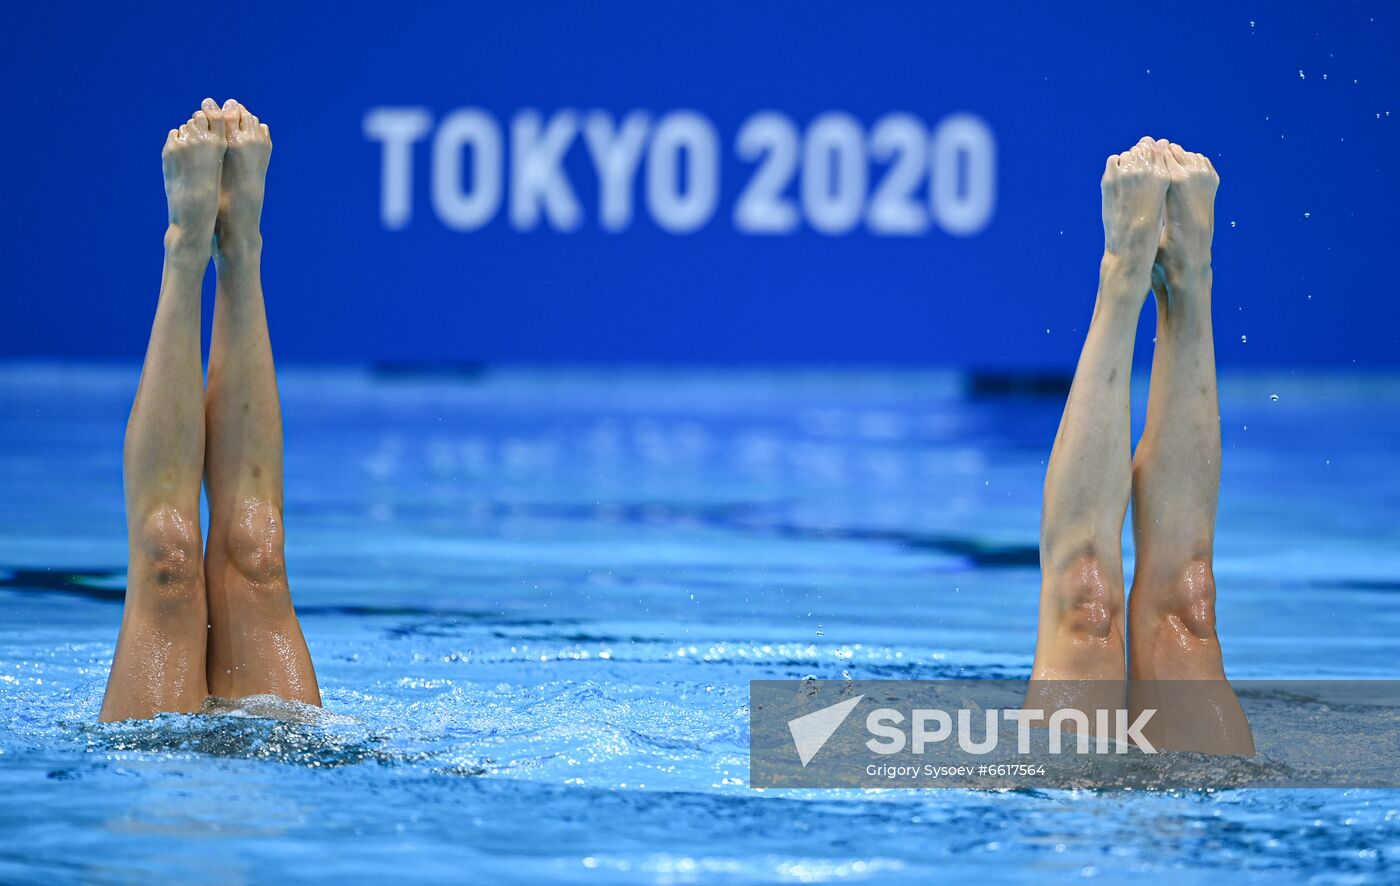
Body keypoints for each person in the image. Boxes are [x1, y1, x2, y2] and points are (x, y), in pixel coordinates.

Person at [1027, 137, 1253, 754]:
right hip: (1140, 797)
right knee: (1096, 606)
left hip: (1149, 803)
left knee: (1180, 608)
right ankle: (1160, 272)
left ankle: (1165, 271)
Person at [99, 99, 320, 721]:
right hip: (210, 763)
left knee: (256, 551)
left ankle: (235, 244)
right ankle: (193, 244)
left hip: (191, 757)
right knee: (169, 558)